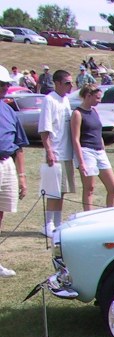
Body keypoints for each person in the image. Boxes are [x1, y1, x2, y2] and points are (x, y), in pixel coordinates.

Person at [38, 69, 75, 238]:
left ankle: (58, 223)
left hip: (66, 152)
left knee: (63, 190)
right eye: (67, 82)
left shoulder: (66, 100)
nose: (70, 85)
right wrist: (49, 150)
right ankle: (47, 224)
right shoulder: (49, 100)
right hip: (55, 151)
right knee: (53, 190)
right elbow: (45, 128)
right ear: (58, 83)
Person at [71, 85, 114, 211]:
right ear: (88, 96)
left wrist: (102, 148)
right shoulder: (77, 113)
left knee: (113, 188)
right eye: (97, 98)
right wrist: (81, 162)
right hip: (86, 151)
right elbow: (75, 139)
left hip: (99, 151)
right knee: (89, 188)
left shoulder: (94, 111)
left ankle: (111, 215)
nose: (99, 100)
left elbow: (98, 132)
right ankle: (88, 217)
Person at [0, 66, 28, 277]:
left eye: (6, 85)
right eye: (1, 85)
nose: (5, 88)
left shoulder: (9, 110)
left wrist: (22, 176)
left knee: (1, 213)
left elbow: (18, 146)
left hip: (6, 163)